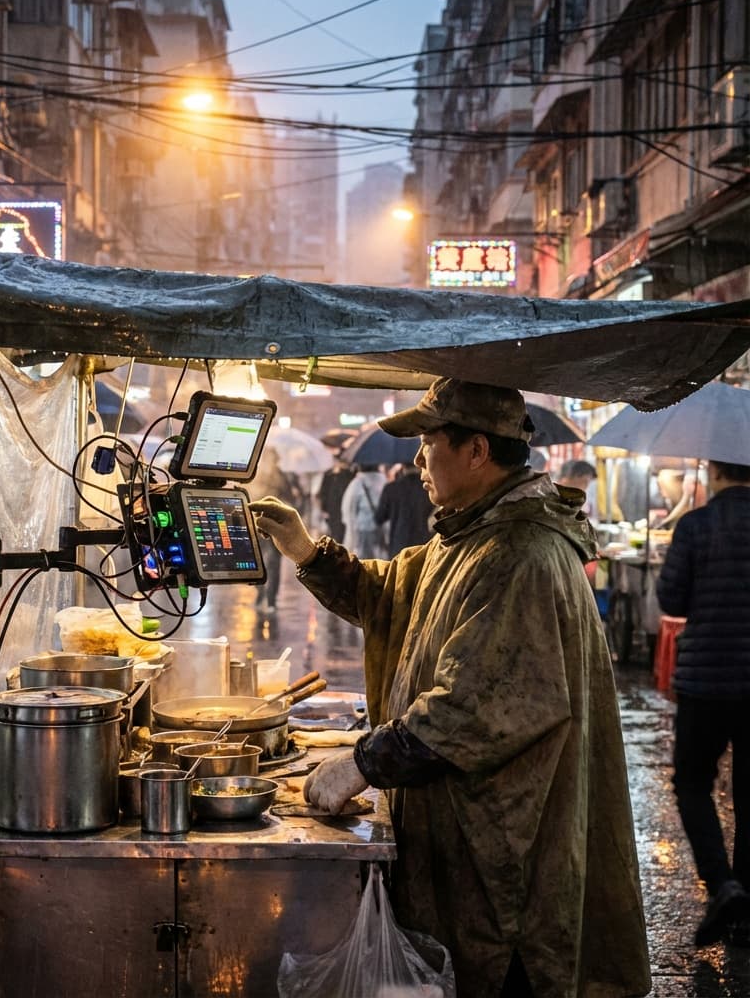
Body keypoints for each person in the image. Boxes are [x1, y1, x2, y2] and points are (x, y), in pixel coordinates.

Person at [250, 377, 651, 997]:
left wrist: (361, 763)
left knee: (504, 977)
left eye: (429, 442)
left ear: (477, 451)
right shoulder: (467, 536)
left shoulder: (520, 554)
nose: (417, 460)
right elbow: (387, 596)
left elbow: (472, 707)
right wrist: (304, 548)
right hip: (465, 842)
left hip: (506, 858)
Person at [656, 458, 750, 947]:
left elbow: (671, 601)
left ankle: (722, 885)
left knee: (692, 784)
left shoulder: (695, 525)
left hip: (706, 680)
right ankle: (745, 912)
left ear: (714, 469)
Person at [251, 445, 303, 612]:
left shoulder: (280, 477)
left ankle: (271, 598)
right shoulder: (257, 477)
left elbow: (290, 501)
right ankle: (261, 593)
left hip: (273, 527)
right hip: (258, 526)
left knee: (272, 563)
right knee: (259, 562)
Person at [374, 463, 432, 556]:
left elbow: (379, 518)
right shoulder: (428, 489)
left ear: (403, 467)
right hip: (423, 547)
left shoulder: (391, 488)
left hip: (398, 546)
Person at [339, 463, 387, 559]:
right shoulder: (384, 481)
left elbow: (348, 509)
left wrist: (350, 537)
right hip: (381, 528)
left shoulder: (357, 483)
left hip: (363, 529)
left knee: (364, 560)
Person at [317, 452, 354, 543]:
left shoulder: (348, 474)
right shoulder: (328, 474)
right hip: (331, 509)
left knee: (341, 533)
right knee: (333, 532)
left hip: (343, 508)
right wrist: (323, 509)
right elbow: (323, 492)